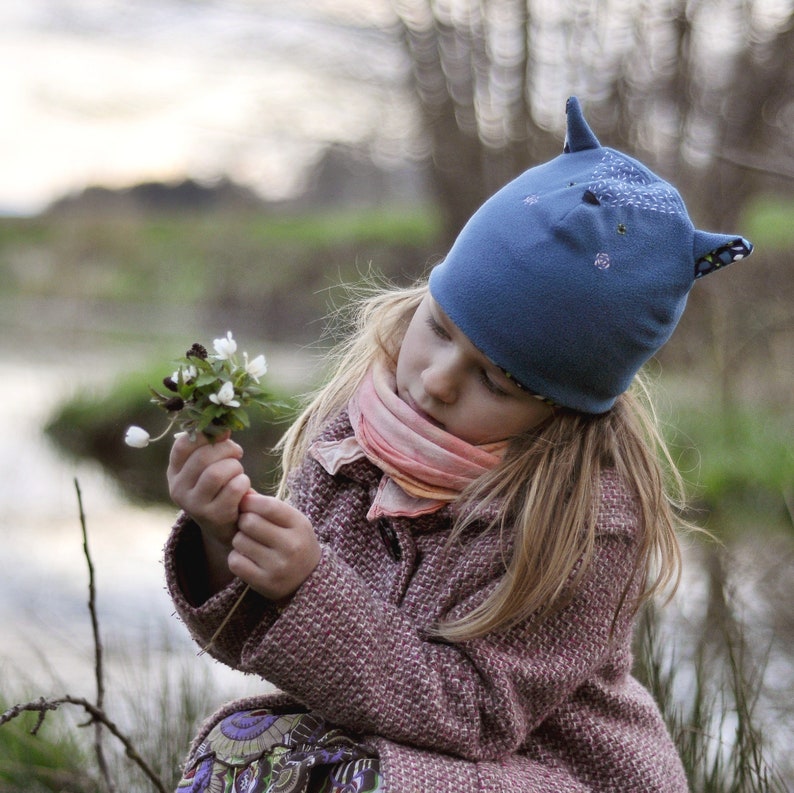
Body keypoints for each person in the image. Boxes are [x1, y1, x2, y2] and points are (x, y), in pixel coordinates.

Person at [163, 97, 752, 793]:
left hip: (552, 772)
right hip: (390, 750)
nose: (438, 381)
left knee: (349, 775)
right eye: (439, 328)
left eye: (495, 381)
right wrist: (219, 538)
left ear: (559, 409)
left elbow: (474, 714)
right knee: (241, 747)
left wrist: (308, 585)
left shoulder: (587, 520)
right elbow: (262, 638)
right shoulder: (352, 441)